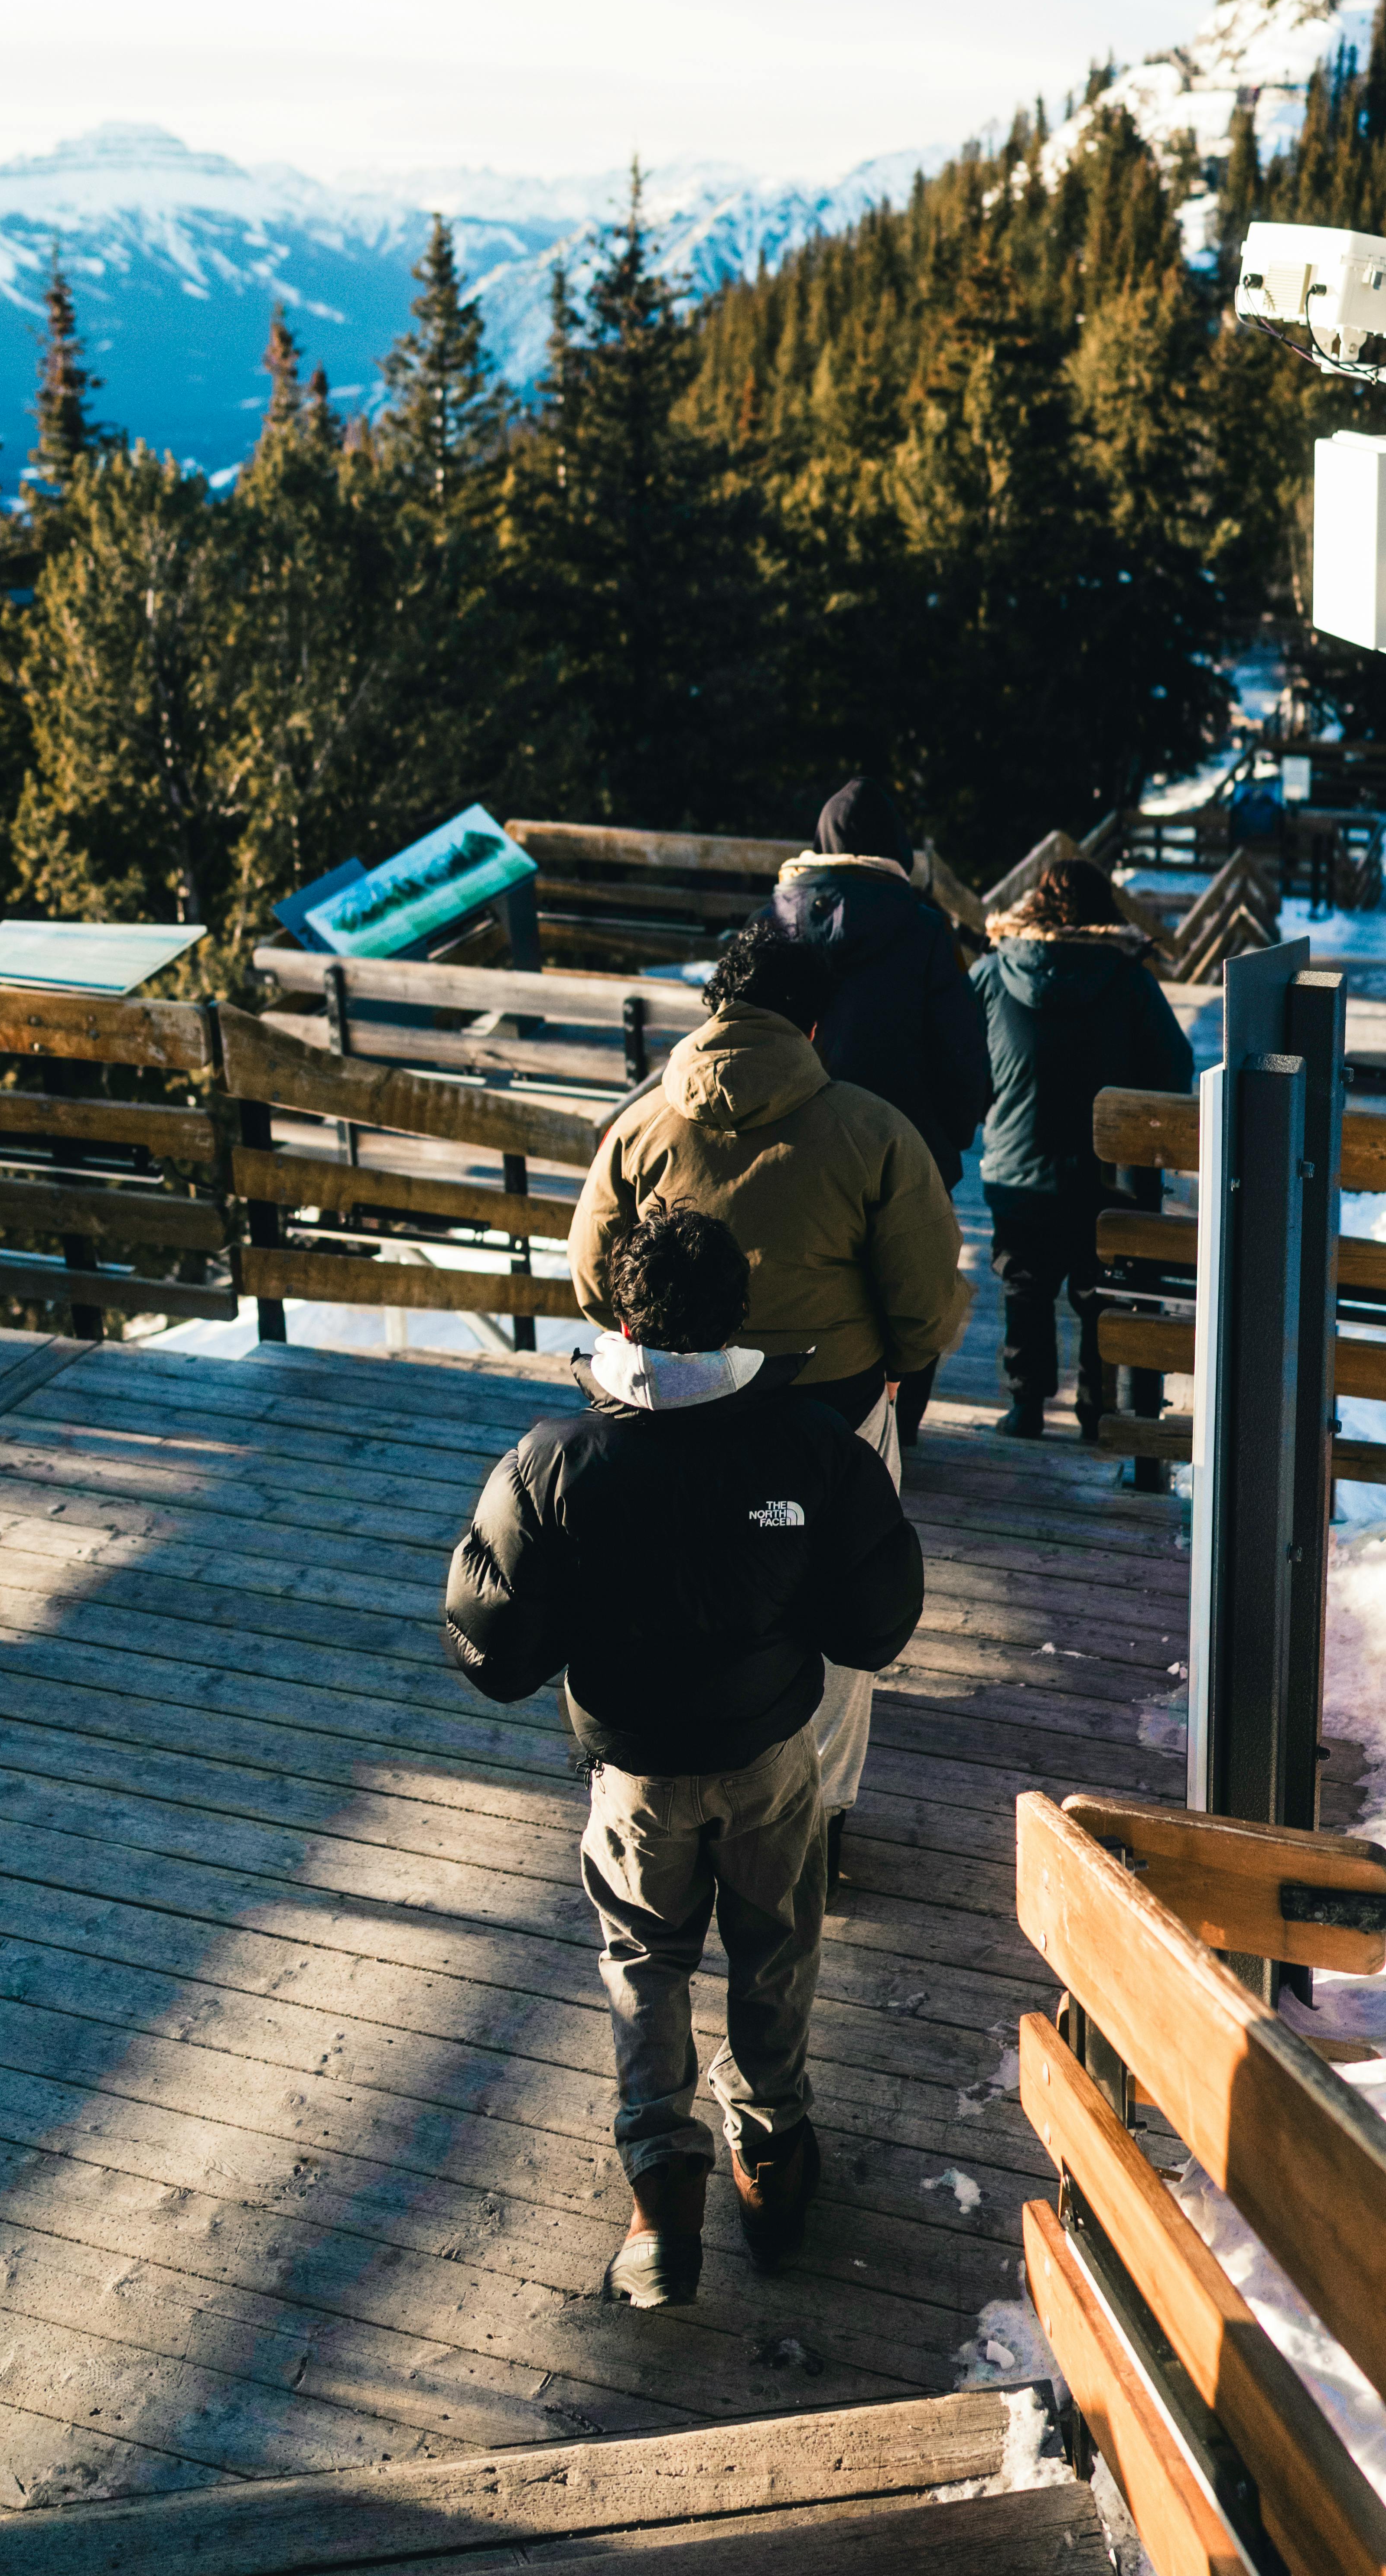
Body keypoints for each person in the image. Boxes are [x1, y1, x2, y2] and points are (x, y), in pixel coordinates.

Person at [443, 1202, 923, 2312]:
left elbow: (491, 1649)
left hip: (634, 1778)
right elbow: (876, 1627)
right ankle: (769, 2162)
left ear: (620, 1314)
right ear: (736, 1316)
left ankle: (660, 2194)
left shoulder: (551, 1461)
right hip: (769, 1757)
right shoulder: (812, 1446)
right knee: (774, 1953)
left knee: (643, 1965)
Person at [568, 919, 965, 1865]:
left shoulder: (639, 1123)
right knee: (837, 1605)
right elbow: (922, 1309)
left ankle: (674, 1799)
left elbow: (591, 1280)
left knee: (683, 1599)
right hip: (829, 1408)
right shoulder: (873, 1131)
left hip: (673, 1410)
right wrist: (899, 1359)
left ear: (713, 1008)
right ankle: (815, 1824)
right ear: (815, 1029)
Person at [769, 776, 990, 1446]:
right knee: (909, 1289)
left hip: (790, 1146)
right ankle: (896, 1430)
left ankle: (797, 1421)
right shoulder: (923, 930)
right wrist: (950, 1135)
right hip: (906, 1148)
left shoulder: (774, 920)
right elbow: (961, 1053)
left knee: (803, 1275)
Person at [973, 853, 1193, 1440]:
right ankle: (1096, 1413)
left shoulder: (994, 974)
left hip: (1018, 1169)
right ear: (1105, 911)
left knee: (1024, 1282)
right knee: (1099, 1291)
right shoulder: (1127, 980)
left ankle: (1024, 1408)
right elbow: (1175, 1067)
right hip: (1107, 1172)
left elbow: (962, 1057)